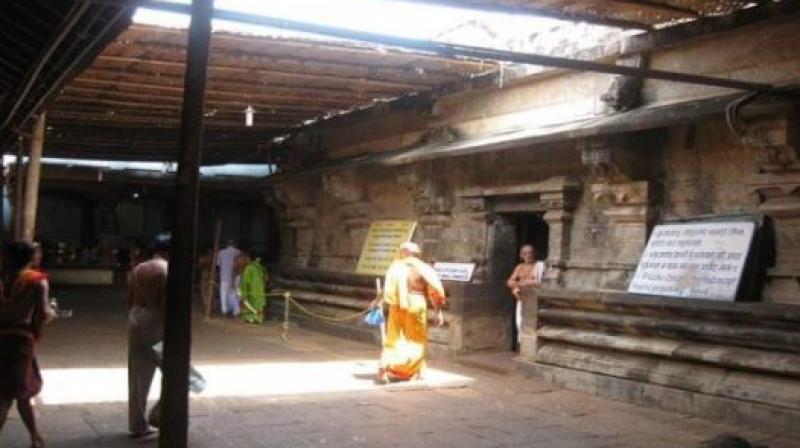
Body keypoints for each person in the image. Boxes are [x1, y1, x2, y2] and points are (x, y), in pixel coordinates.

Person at [0, 241, 57, 448]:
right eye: (37, 252)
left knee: (21, 390)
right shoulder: (37, 280)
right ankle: (36, 438)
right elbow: (42, 314)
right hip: (20, 340)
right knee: (7, 394)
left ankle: (35, 437)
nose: (39, 256)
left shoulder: (3, 277)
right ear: (30, 257)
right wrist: (52, 312)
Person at [377, 242, 446, 383]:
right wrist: (438, 312)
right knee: (416, 340)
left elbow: (387, 290)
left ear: (404, 252)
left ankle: (385, 365)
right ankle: (413, 371)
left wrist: (379, 301)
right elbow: (434, 291)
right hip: (416, 303)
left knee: (394, 338)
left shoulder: (396, 266)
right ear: (416, 254)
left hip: (397, 306)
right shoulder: (424, 268)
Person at [127, 234, 169, 438]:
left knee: (138, 374)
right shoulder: (167, 270)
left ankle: (137, 424)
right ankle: (159, 414)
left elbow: (130, 299)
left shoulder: (139, 269)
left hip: (135, 318)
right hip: (156, 322)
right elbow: (166, 304)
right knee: (181, 374)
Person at [507, 244, 546, 346]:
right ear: (521, 255)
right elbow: (510, 281)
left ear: (534, 254)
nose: (528, 255)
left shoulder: (540, 266)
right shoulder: (520, 267)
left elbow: (544, 283)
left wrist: (531, 283)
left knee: (535, 325)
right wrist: (518, 286)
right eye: (525, 253)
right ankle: (522, 345)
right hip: (522, 299)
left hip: (535, 299)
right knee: (520, 323)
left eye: (530, 253)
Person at [239, 254, 269, 325]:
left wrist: (243, 292)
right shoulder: (261, 267)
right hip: (260, 290)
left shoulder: (248, 268)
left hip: (251, 291)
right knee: (259, 304)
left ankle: (250, 318)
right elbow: (266, 278)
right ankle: (259, 319)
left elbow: (245, 282)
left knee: (249, 303)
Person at [216, 240, 241, 317]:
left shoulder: (221, 252)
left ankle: (224, 311)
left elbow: (218, 264)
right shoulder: (238, 252)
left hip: (223, 277)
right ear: (234, 245)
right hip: (234, 277)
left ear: (226, 245)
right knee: (234, 294)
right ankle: (236, 311)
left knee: (223, 294)